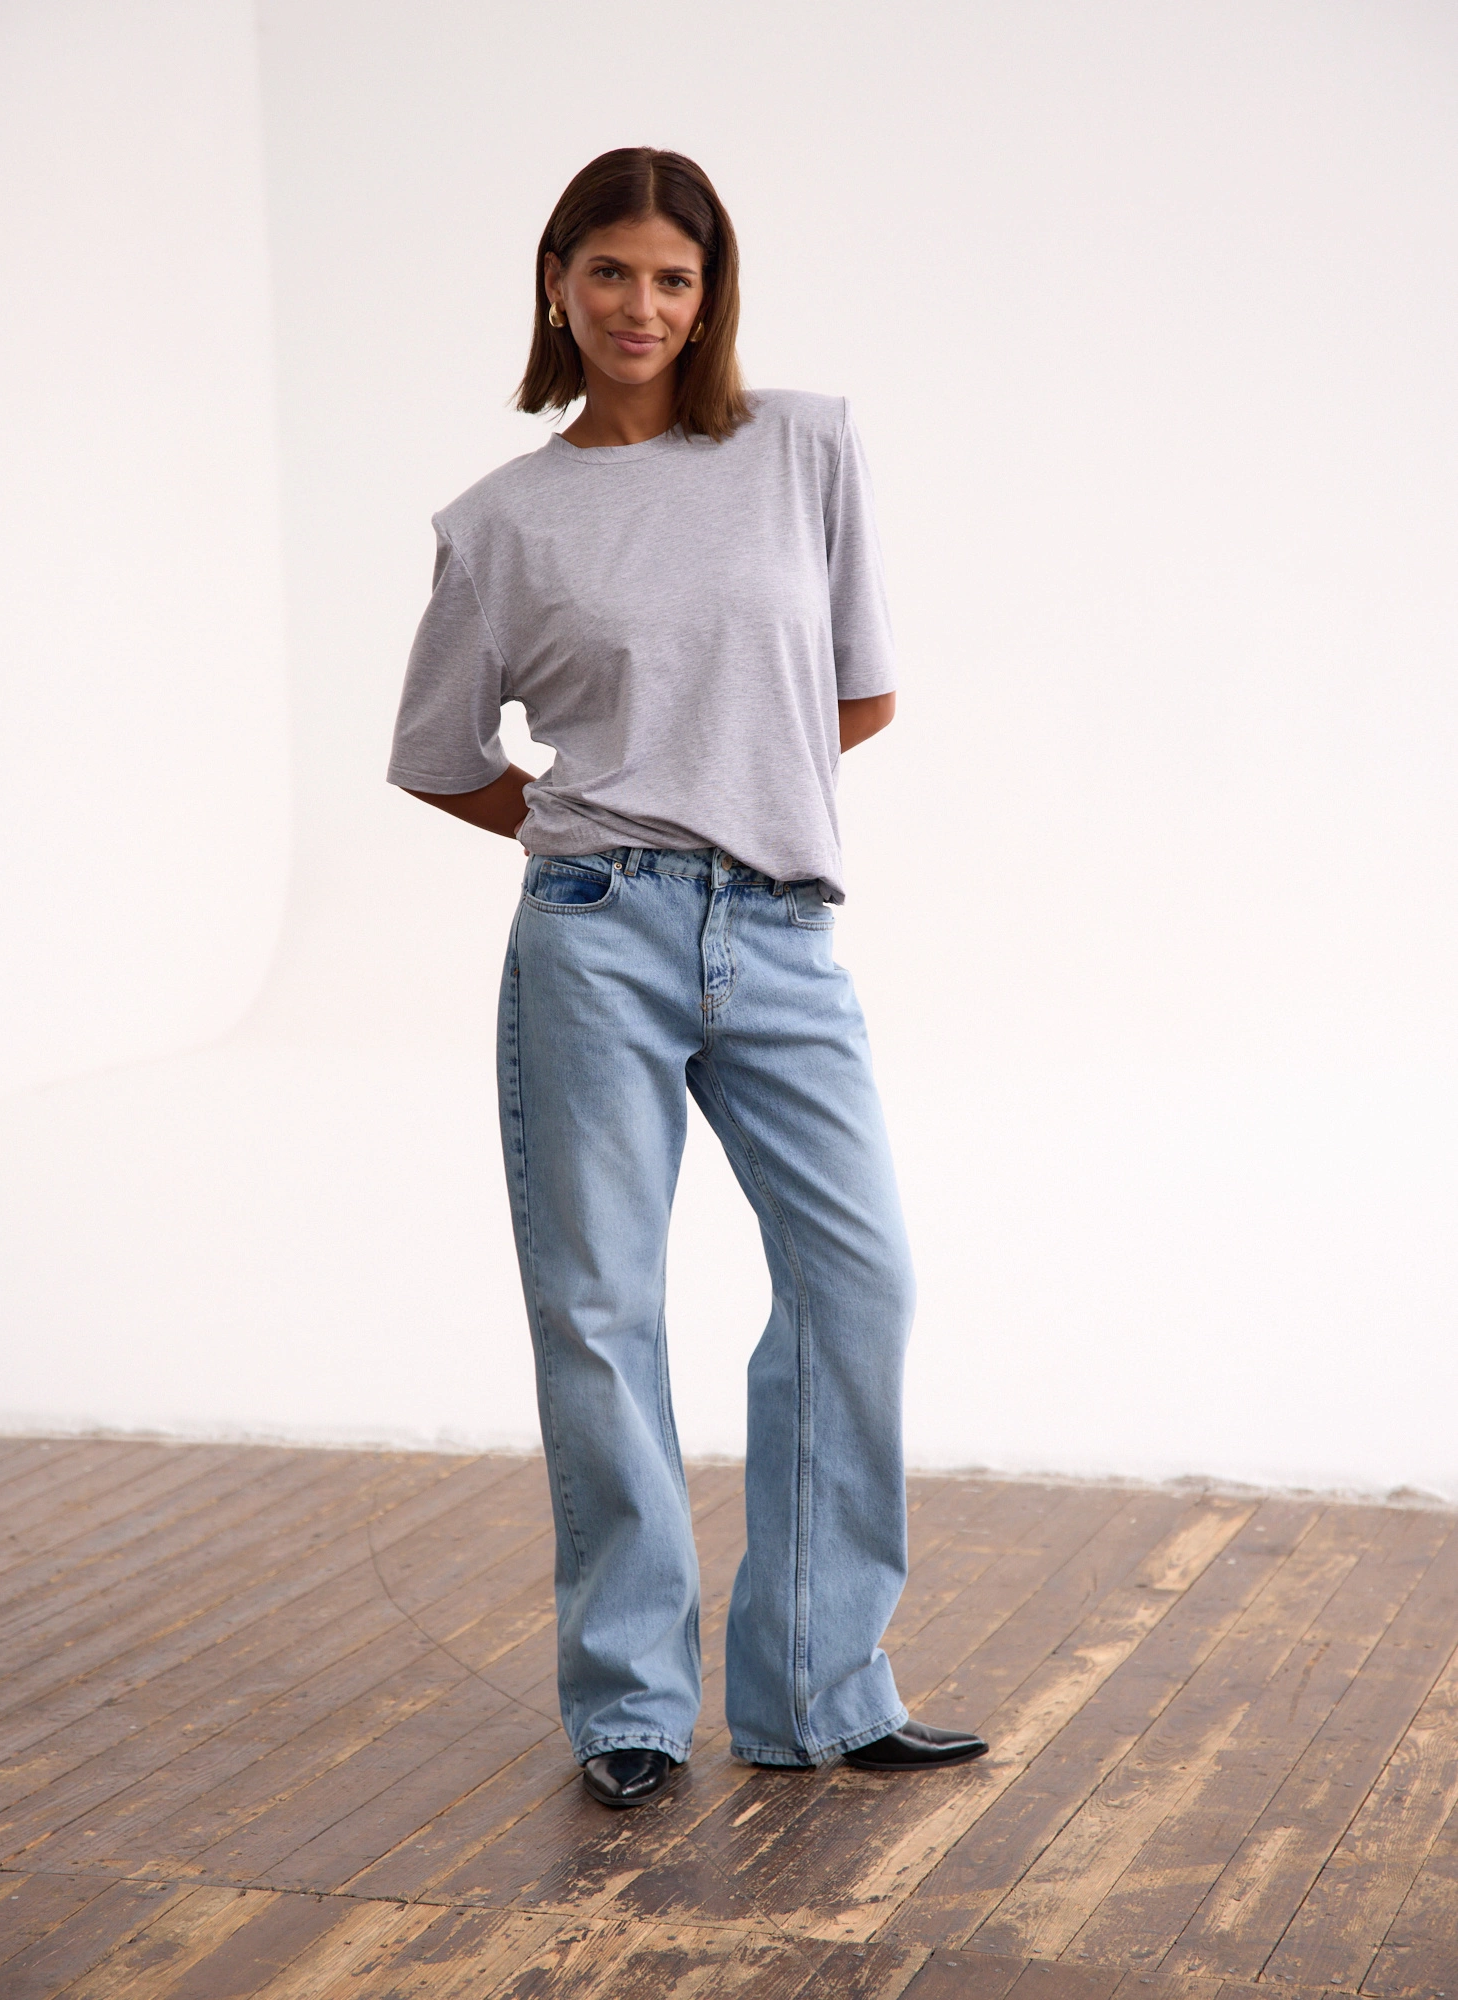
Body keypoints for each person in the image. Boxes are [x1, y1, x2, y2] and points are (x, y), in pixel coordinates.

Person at [388, 147, 987, 1807]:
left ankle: (819, 1689)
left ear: (711, 293)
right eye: (610, 272)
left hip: (783, 931)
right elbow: (438, 752)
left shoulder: (802, 446)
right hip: (596, 932)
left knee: (860, 1283)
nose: (640, 306)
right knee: (600, 1309)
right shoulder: (500, 522)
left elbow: (857, 693)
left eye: (673, 277)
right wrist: (604, 825)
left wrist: (727, 797)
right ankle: (631, 1707)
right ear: (557, 283)